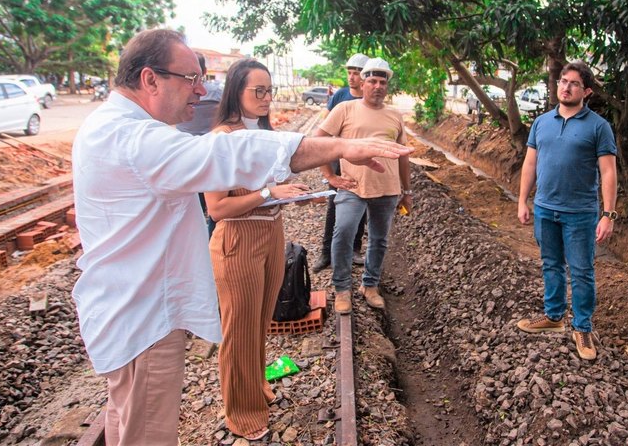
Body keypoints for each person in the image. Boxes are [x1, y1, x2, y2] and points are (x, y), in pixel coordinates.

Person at [70, 29, 412, 446]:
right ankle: (243, 410)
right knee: (148, 433)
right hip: (143, 320)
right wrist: (338, 147)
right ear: (150, 79)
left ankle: (252, 395)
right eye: (190, 78)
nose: (200, 90)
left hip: (139, 309)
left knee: (135, 421)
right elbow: (229, 157)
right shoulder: (132, 138)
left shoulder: (124, 128)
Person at [203, 58, 309, 440]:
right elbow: (217, 208)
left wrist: (296, 196)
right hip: (238, 241)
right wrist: (268, 193)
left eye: (270, 91)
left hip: (270, 234)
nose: (266, 98)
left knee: (261, 323)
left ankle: (257, 388)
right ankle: (241, 412)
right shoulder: (220, 139)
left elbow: (272, 193)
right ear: (236, 92)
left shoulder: (265, 135)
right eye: (258, 91)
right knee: (239, 330)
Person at [516, 61, 617, 361]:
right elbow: (530, 164)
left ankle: (583, 326)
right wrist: (523, 200)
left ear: (586, 91)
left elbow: (609, 173)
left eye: (573, 83)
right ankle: (554, 315)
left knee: (582, 271)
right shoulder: (541, 123)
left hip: (581, 213)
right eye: (562, 81)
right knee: (551, 264)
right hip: (545, 208)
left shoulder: (599, 127)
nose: (565, 86)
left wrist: (608, 214)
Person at [314, 57, 413, 314]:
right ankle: (342, 289)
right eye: (372, 81)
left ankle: (370, 286)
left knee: (379, 240)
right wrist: (331, 177)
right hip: (352, 187)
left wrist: (407, 191)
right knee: (343, 234)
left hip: (388, 190)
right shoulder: (345, 109)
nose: (377, 86)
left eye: (382, 82)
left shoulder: (394, 116)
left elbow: (403, 155)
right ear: (363, 82)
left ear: (387, 86)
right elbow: (318, 143)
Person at [312, 53, 370, 273]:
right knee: (334, 203)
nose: (352, 77)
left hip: (362, 161)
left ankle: (354, 249)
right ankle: (326, 253)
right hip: (339, 160)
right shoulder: (340, 96)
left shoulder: (368, 99)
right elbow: (325, 124)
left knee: (360, 204)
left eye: (356, 73)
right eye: (349, 72)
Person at [176, 54, 224, 236]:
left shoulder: (180, 94)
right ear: (205, 71)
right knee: (216, 210)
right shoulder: (217, 92)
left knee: (193, 207)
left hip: (185, 157)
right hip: (213, 157)